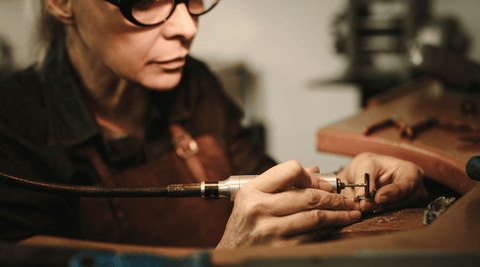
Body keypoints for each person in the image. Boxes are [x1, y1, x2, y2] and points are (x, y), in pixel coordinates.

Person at [0, 0, 427, 249]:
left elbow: (270, 191)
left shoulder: (195, 85)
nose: (187, 27)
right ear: (60, 3)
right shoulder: (13, 132)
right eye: (147, 0)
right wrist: (227, 258)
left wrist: (340, 185)